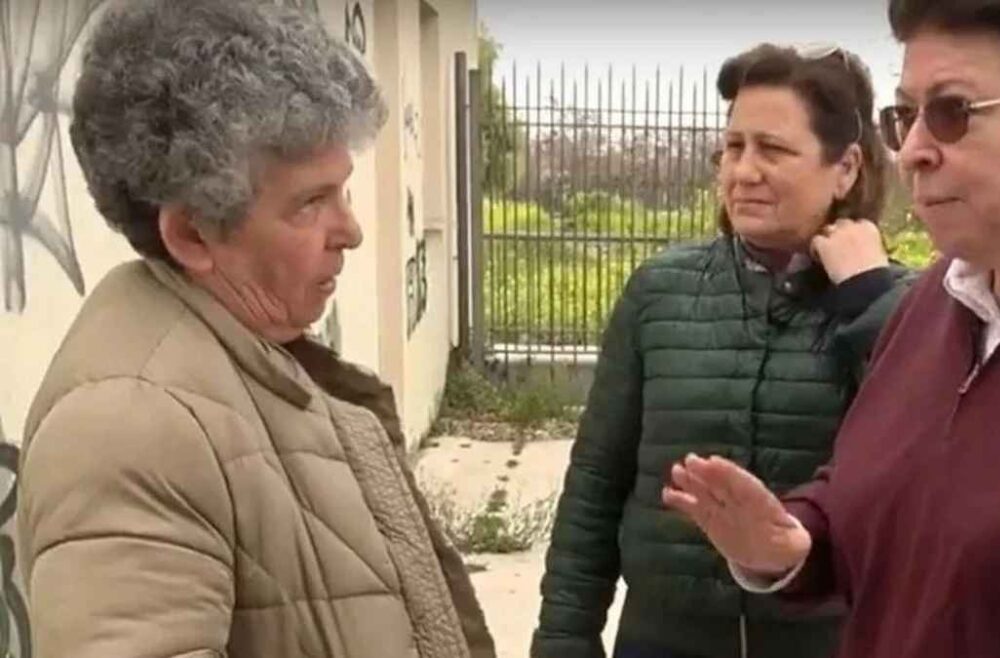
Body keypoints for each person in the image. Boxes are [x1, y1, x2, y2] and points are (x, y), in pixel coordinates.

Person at [664, 1, 1000, 657]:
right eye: (904, 117)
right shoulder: (935, 300)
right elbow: (876, 484)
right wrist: (799, 541)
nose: (912, 153)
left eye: (953, 112)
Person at [14, 1, 495, 657]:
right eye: (311, 202)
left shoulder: (252, 358)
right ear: (192, 234)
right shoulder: (128, 427)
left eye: (343, 190)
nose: (351, 231)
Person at [532, 43, 914, 658]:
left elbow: (923, 464)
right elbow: (597, 481)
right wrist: (564, 639)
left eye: (773, 149)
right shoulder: (660, 291)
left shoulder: (902, 307)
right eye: (734, 147)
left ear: (845, 168)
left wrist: (867, 297)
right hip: (661, 639)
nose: (744, 171)